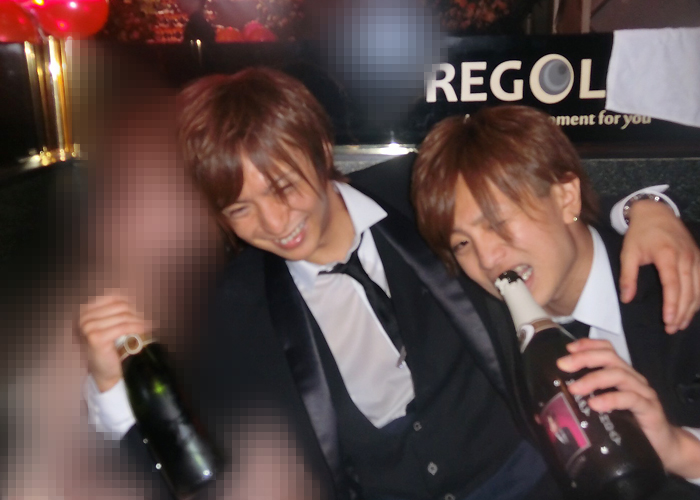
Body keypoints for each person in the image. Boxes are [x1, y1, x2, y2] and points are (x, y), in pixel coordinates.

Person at [79, 69, 700, 500]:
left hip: (536, 485)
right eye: (240, 209)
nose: (274, 223)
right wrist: (112, 388)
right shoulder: (235, 305)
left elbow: (540, 208)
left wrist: (645, 208)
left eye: (283, 186)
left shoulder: (417, 191)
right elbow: (189, 467)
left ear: (320, 150)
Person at [411, 104, 700, 487]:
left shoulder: (678, 273)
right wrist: (640, 204)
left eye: (497, 221)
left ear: (567, 199)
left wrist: (679, 451)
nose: (487, 259)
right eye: (462, 243)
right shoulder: (488, 315)